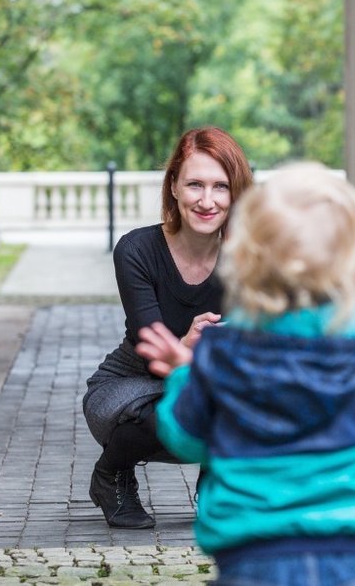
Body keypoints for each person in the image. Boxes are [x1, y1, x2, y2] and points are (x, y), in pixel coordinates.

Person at [136, 162, 355, 585]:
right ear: (353, 264)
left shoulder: (222, 355)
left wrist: (187, 374)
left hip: (253, 558)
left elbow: (184, 435)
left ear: (244, 259)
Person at [82, 127, 253, 529]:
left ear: (236, 194)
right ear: (173, 186)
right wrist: (185, 345)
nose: (207, 201)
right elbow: (154, 354)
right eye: (195, 184)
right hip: (132, 388)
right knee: (176, 405)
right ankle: (111, 474)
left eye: (221, 187)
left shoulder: (249, 259)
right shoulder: (137, 249)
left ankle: (219, 485)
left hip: (212, 385)